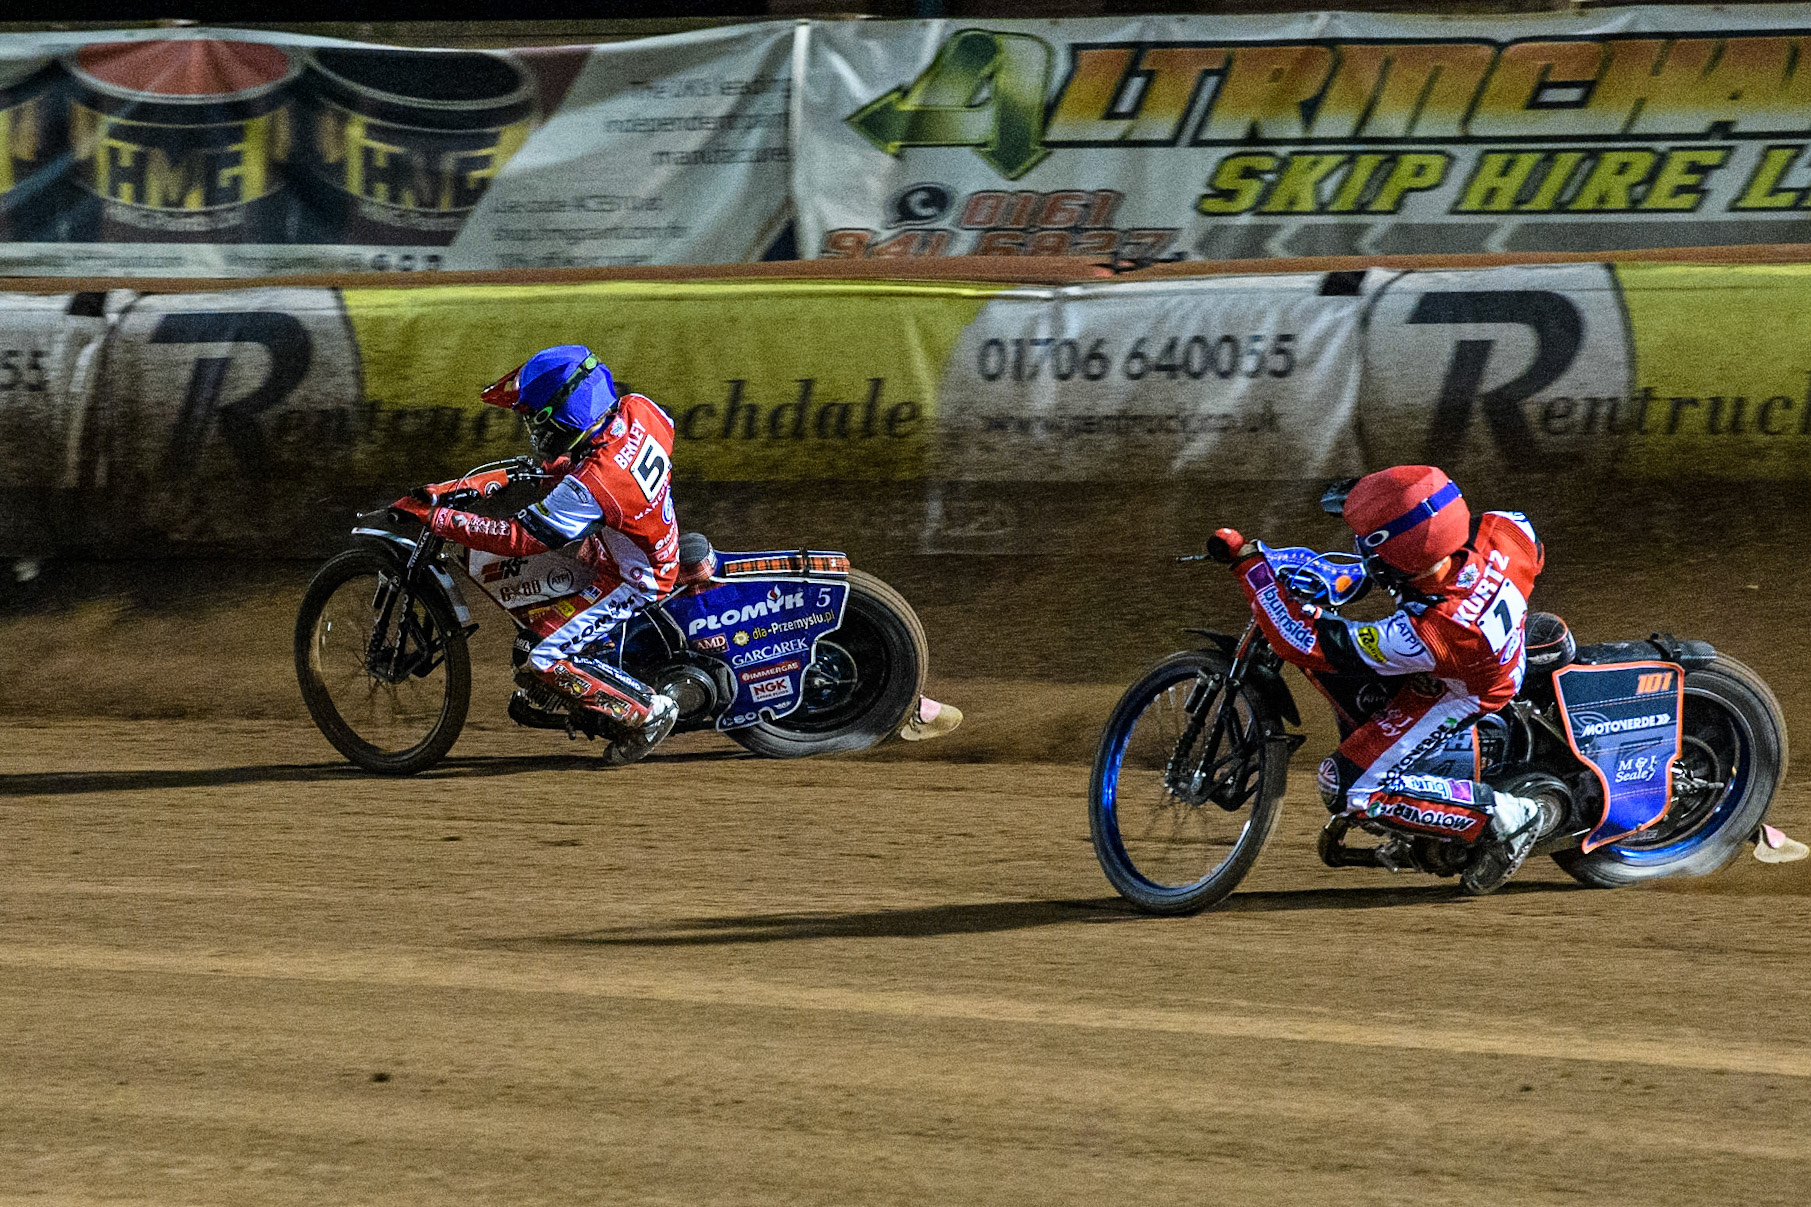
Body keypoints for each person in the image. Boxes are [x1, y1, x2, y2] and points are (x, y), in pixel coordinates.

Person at [1209, 465, 1553, 894]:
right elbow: (1525, 549)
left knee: (1347, 786)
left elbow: (1304, 641)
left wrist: (1252, 569)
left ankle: (1507, 816)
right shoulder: (1503, 528)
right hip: (1492, 642)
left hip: (1462, 690)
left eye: (1368, 544)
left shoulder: (1425, 635)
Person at [392, 344, 681, 766]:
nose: (533, 430)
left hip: (634, 578)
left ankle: (648, 713)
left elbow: (518, 539)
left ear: (566, 413)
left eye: (536, 418)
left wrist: (437, 519)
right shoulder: (639, 409)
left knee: (541, 655)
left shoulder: (595, 481)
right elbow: (616, 454)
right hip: (625, 544)